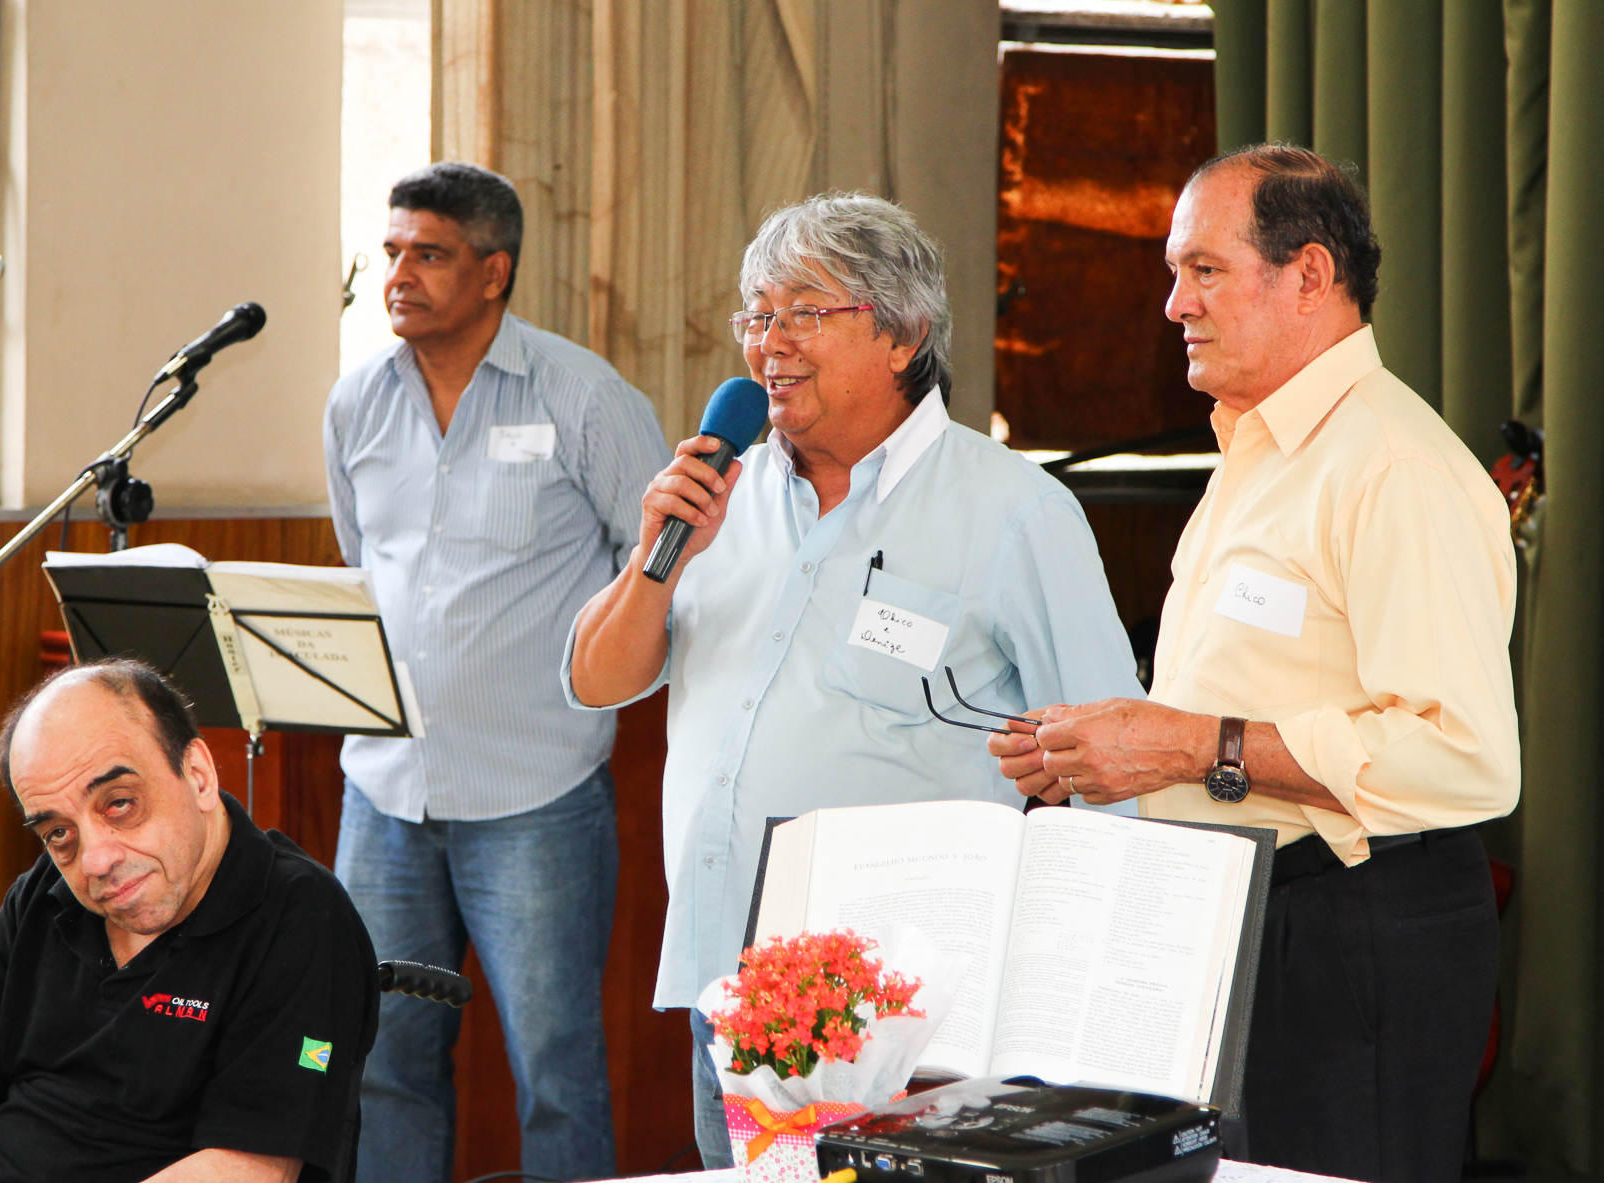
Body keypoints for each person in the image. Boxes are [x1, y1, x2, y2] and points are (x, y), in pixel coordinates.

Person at [565, 192, 1144, 1165]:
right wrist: (657, 557)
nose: (770, 342)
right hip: (736, 995)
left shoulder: (1012, 509)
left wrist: (1082, 1003)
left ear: (903, 334)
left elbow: (1108, 767)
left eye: (805, 311)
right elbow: (595, 681)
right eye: (757, 314)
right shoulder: (719, 494)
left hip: (910, 1021)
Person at [991, 145, 1519, 1182]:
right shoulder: (1256, 450)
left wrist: (1190, 746)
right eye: (1173, 272)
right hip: (1239, 916)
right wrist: (1106, 753)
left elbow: (1463, 757)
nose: (1173, 304)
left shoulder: (1392, 466)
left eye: (1204, 269)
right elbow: (1247, 692)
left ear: (1309, 275)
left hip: (1352, 927)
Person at [324, 162, 670, 1182]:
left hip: (535, 794)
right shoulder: (357, 403)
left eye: (429, 254)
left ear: (493, 271)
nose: (400, 275)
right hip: (384, 792)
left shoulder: (584, 396)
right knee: (381, 1057)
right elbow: (364, 562)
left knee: (555, 1065)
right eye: (392, 251)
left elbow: (661, 559)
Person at [0, 658, 378, 1183]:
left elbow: (253, 1169)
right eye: (59, 833)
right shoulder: (44, 895)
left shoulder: (299, 916)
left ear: (198, 775)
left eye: (119, 804)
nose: (95, 860)